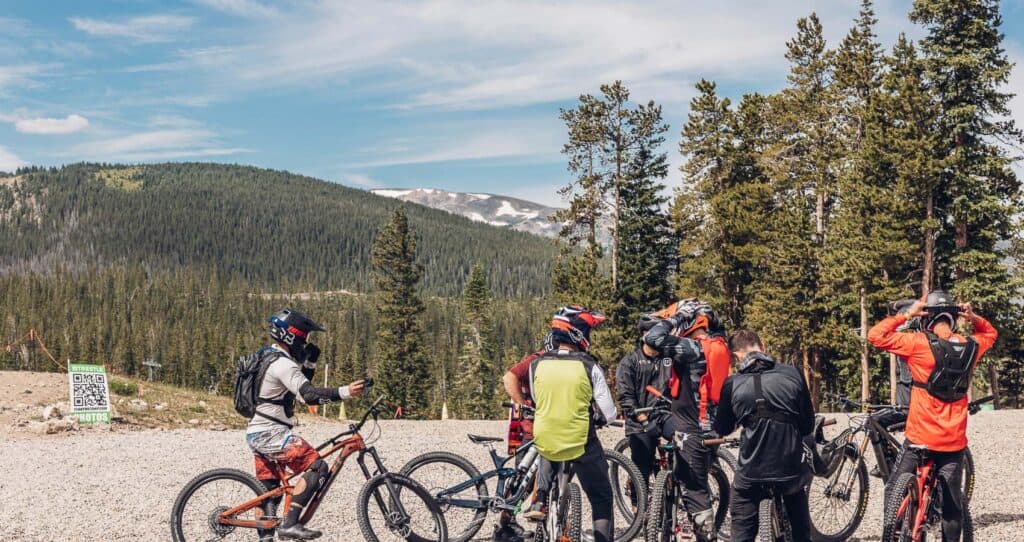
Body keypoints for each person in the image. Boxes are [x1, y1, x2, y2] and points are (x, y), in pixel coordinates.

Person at [868, 290, 997, 542]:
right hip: (953, 442)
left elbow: (875, 336)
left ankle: (893, 534)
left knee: (894, 489)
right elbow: (990, 334)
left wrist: (906, 314)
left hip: (920, 439)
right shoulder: (971, 347)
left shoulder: (917, 343)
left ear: (926, 319)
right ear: (953, 318)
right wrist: (974, 318)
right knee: (952, 509)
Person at [246, 309, 367, 541]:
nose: (306, 342)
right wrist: (347, 392)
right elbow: (308, 396)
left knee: (269, 493)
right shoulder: (283, 365)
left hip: (258, 431)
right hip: (271, 433)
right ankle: (290, 524)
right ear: (293, 336)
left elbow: (295, 391)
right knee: (317, 467)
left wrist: (310, 363)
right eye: (305, 337)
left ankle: (265, 538)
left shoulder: (268, 357)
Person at [640, 299, 731, 538]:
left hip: (691, 429)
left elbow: (653, 339)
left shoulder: (694, 348)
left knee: (695, 491)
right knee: (693, 480)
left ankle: (705, 535)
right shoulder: (718, 345)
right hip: (709, 426)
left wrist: (675, 318)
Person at [713, 329, 815, 542]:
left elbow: (722, 428)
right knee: (797, 503)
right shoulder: (793, 373)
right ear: (763, 346)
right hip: (791, 470)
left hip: (752, 473)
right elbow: (807, 425)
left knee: (741, 518)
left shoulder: (732, 384)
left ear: (734, 356)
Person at [528, 305, 618, 542]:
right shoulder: (589, 365)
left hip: (546, 440)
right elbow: (609, 413)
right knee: (601, 497)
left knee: (548, 447)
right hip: (581, 442)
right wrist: (596, 418)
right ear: (579, 333)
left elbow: (539, 402)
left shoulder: (536, 364)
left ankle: (541, 499)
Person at [616, 314, 674, 487]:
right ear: (644, 334)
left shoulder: (669, 358)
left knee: (683, 440)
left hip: (665, 415)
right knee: (641, 468)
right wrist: (644, 421)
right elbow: (626, 398)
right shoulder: (629, 362)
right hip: (639, 420)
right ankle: (637, 506)